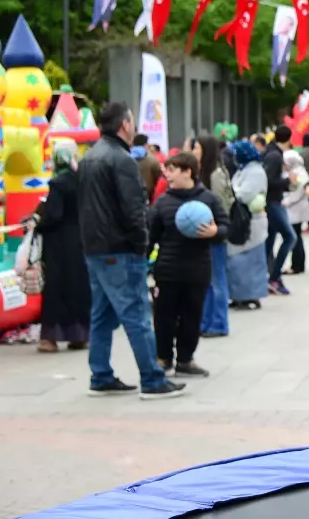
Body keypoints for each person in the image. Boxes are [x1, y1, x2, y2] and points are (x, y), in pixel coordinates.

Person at [77, 102, 185, 399]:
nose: (135, 126)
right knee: (136, 313)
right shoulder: (121, 160)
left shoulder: (89, 157)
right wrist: (141, 244)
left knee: (101, 314)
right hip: (120, 248)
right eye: (133, 122)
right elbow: (133, 209)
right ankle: (151, 378)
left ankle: (100, 374)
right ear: (124, 125)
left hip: (95, 247)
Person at [149, 151, 229, 378]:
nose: (167, 175)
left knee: (192, 316)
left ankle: (186, 359)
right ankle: (163, 358)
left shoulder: (208, 200)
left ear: (188, 172)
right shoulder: (163, 202)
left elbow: (225, 228)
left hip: (197, 269)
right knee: (164, 317)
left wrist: (215, 232)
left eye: (172, 170)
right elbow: (151, 236)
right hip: (168, 270)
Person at [35, 140, 90, 353]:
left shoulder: (58, 183)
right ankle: (79, 336)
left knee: (56, 288)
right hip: (80, 240)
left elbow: (53, 216)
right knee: (78, 286)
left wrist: (38, 223)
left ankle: (50, 338)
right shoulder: (82, 180)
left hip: (58, 243)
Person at [190, 135, 233, 338]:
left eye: (196, 147)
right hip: (204, 235)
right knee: (206, 281)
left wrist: (214, 227)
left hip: (214, 235)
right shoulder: (205, 173)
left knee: (217, 281)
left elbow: (222, 207)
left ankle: (218, 323)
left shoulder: (215, 175)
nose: (193, 150)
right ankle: (206, 322)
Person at [226, 141, 270, 308]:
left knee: (250, 261)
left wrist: (230, 193)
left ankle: (250, 295)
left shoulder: (256, 171)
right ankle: (238, 295)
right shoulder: (243, 169)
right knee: (237, 261)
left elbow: (245, 194)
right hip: (242, 220)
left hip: (252, 222)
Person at [263, 126, 297, 294]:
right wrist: (287, 181)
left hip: (271, 201)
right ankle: (274, 277)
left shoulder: (272, 152)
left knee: (268, 243)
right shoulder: (275, 156)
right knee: (290, 237)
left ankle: (269, 277)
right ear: (290, 138)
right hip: (272, 202)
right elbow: (268, 181)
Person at [281, 149, 309, 275]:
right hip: (297, 207)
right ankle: (299, 264)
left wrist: (286, 201)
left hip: (296, 208)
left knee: (295, 237)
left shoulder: (297, 173)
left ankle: (296, 265)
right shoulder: (300, 171)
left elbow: (296, 192)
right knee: (297, 236)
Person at [131, 133, 164, 206]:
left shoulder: (125, 158)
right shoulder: (153, 160)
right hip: (148, 199)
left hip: (129, 199)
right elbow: (159, 181)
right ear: (146, 145)